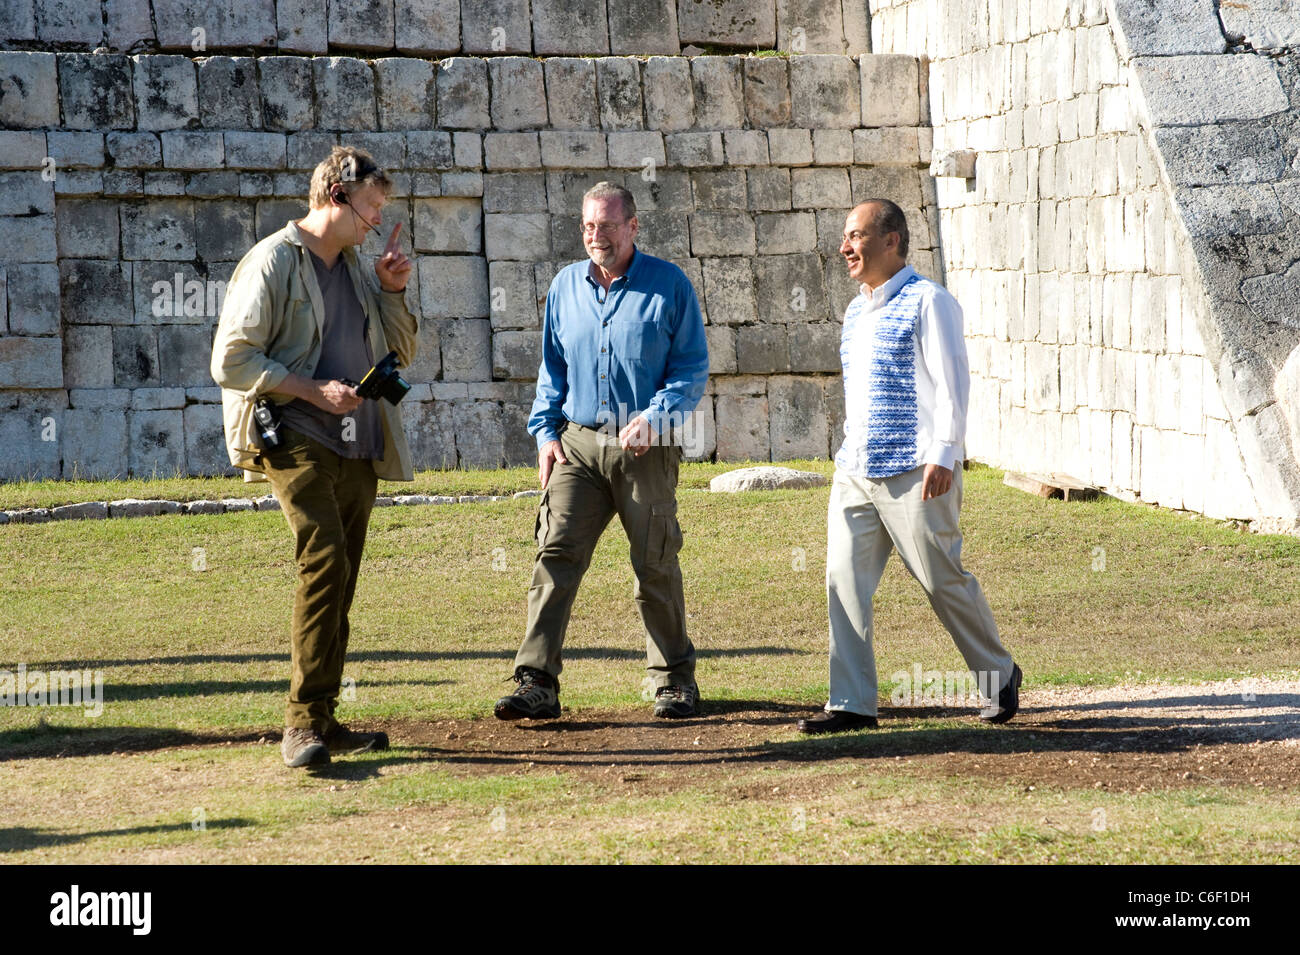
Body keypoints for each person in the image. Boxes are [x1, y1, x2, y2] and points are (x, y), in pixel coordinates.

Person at [211, 145, 417, 767]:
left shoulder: (359, 266)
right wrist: (311, 389)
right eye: (371, 207)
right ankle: (300, 725)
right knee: (324, 558)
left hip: (359, 439)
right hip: (293, 432)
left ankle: (323, 720)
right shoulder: (273, 260)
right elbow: (230, 360)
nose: (377, 220)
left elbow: (401, 352)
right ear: (337, 196)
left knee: (342, 573)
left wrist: (390, 290)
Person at [797, 198, 1021, 734]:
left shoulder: (929, 301)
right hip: (856, 470)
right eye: (845, 236)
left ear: (891, 239)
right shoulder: (855, 312)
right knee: (843, 580)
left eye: (856, 235)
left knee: (940, 579)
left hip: (917, 471)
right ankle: (851, 702)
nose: (844, 246)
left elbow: (952, 383)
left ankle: (999, 675)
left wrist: (945, 452)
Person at [495, 181, 710, 721]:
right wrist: (545, 433)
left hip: (646, 448)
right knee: (555, 556)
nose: (597, 236)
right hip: (577, 446)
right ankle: (536, 682)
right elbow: (553, 370)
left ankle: (674, 682)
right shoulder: (565, 286)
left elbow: (690, 370)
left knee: (654, 564)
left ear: (633, 227)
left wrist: (657, 418)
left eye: (608, 226)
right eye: (589, 226)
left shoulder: (670, 286)